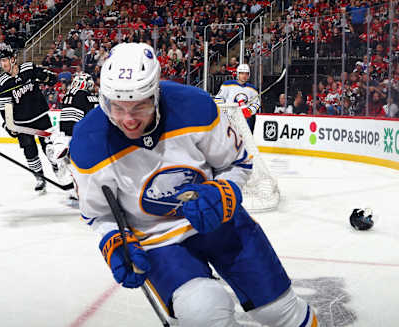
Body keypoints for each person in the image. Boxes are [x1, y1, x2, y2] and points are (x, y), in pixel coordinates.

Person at [69, 43, 318, 327]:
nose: (128, 119)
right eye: (117, 107)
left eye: (139, 106)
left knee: (279, 311)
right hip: (158, 240)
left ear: (156, 93)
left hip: (220, 220)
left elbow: (237, 163)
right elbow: (98, 213)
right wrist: (112, 241)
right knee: (204, 312)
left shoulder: (195, 107)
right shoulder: (88, 142)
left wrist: (223, 191)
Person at [0, 45, 58, 194]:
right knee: (29, 151)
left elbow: (46, 76)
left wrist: (49, 78)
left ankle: (57, 167)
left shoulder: (28, 68)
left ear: (13, 59)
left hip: (40, 116)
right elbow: (5, 107)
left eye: (5, 60)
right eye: (0, 61)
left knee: (49, 146)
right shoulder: (3, 82)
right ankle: (39, 177)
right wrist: (9, 124)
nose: (2, 64)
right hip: (22, 123)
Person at [46, 72, 99, 203]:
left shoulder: (67, 95)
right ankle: (80, 188)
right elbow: (97, 114)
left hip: (64, 131)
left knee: (69, 164)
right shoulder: (86, 95)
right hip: (79, 133)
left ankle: (59, 149)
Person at [214, 63, 260, 132]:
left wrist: (249, 111)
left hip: (244, 120)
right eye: (242, 73)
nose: (244, 76)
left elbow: (256, 103)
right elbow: (218, 98)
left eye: (246, 74)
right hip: (229, 119)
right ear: (238, 74)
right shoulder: (228, 84)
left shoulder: (252, 89)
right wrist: (224, 112)